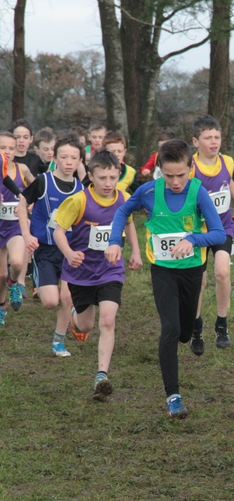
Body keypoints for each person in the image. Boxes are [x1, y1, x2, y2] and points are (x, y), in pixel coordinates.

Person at [107, 140, 225, 418]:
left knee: (184, 333)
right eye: (169, 175)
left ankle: (195, 325)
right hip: (162, 270)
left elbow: (218, 233)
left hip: (192, 269)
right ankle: (173, 397)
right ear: (159, 169)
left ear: (191, 168)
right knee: (170, 329)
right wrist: (114, 241)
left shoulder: (198, 192)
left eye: (180, 175)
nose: (175, 182)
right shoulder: (148, 191)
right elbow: (122, 210)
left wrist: (192, 239)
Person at [53, 150, 142, 400]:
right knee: (85, 325)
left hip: (110, 269)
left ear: (119, 176)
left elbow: (129, 223)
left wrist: (135, 251)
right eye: (102, 178)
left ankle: (101, 375)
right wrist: (69, 253)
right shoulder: (78, 201)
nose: (108, 183)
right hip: (81, 272)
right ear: (91, 176)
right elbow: (59, 231)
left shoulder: (124, 198)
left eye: (113, 177)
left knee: (108, 320)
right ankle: (73, 313)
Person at [18, 132, 85, 357]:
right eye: (63, 157)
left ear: (80, 160)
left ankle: (59, 341)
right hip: (45, 250)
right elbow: (22, 204)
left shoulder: (80, 189)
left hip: (68, 250)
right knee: (50, 302)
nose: (68, 162)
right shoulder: (43, 182)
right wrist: (26, 234)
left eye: (73, 158)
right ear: (55, 158)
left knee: (66, 297)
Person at [190, 115, 234, 351]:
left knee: (222, 272)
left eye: (217, 137)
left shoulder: (227, 161)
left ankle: (222, 324)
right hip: (198, 231)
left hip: (222, 227)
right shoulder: (190, 167)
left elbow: (229, 183)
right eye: (208, 137)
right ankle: (196, 327)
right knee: (199, 281)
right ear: (195, 141)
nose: (213, 142)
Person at [0, 132, 34, 322]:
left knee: (17, 262)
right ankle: (1, 305)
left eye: (11, 148)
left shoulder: (22, 170)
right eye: (2, 148)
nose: (7, 151)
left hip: (14, 226)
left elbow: (36, 190)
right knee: (1, 274)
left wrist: (27, 201)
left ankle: (13, 284)